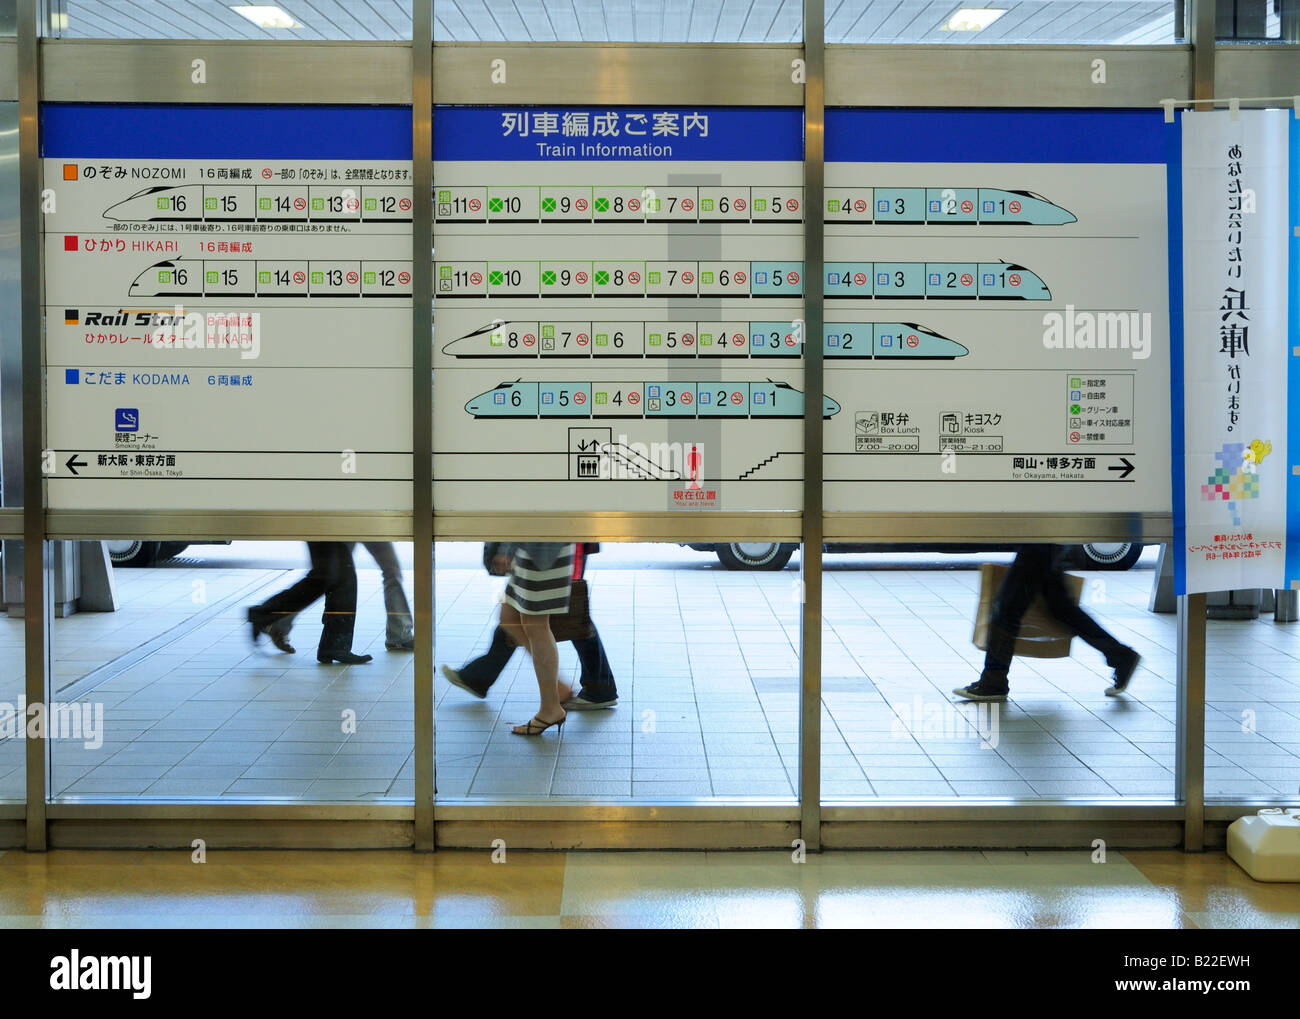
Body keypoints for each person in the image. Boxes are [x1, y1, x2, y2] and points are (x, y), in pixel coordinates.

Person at [952, 544, 1140, 703]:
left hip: (1040, 538)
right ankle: (1121, 655)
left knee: (1008, 606)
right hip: (1047, 535)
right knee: (1061, 608)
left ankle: (994, 681)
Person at [442, 542, 618, 709]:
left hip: (544, 549)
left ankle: (588, 690)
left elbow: (530, 514)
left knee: (558, 616)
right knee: (519, 617)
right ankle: (593, 687)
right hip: (543, 547)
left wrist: (506, 549)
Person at [485, 542, 576, 735]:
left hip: (541, 551)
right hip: (531, 549)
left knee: (536, 625)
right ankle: (556, 689)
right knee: (508, 619)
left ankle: (551, 708)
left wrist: (505, 550)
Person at [262, 542, 414, 653]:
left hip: (361, 515)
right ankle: (399, 635)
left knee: (331, 577)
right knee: (389, 571)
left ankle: (278, 623)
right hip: (363, 516)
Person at [247, 542, 372, 665]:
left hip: (330, 525)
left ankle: (335, 646)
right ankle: (263, 613)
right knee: (326, 576)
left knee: (342, 575)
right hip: (325, 525)